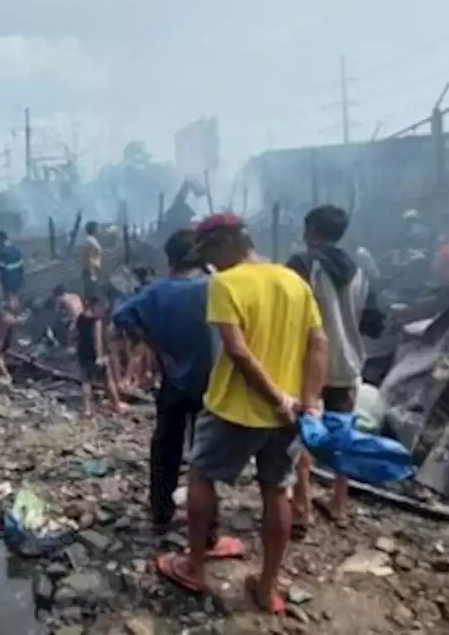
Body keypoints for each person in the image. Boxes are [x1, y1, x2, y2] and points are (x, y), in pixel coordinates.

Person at [155, 213, 327, 616]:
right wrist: (308, 400)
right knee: (277, 491)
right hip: (285, 417)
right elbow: (318, 343)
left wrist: (274, 397)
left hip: (236, 408)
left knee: (201, 477)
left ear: (230, 241)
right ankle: (266, 589)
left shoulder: (226, 283)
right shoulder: (293, 280)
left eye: (212, 249)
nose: (211, 261)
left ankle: (194, 566)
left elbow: (237, 349)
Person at [285, 205, 386, 535]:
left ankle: (301, 505)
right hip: (348, 364)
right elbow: (374, 323)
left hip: (310, 363)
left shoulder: (301, 264)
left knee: (304, 432)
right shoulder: (360, 270)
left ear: (312, 231)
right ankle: (338, 504)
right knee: (343, 434)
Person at [112, 229, 215, 529]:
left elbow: (123, 317)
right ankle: (207, 524)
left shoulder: (157, 291)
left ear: (170, 259)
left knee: (166, 446)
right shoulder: (214, 287)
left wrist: (156, 345)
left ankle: (161, 510)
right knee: (204, 452)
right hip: (211, 380)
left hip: (172, 378)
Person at [75, 294, 126, 417]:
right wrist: (99, 356)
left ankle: (87, 410)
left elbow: (74, 334)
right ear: (95, 306)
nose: (103, 310)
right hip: (95, 355)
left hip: (83, 353)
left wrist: (76, 347)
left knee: (86, 382)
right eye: (101, 307)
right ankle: (117, 405)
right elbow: (97, 339)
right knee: (108, 381)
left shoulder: (80, 318)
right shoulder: (96, 321)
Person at [0, 231, 25, 307]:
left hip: (8, 278)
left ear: (1, 239)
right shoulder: (16, 249)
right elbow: (22, 266)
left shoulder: (2, 251)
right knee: (15, 297)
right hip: (18, 277)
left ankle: (12, 314)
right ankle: (17, 312)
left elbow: (0, 268)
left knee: (10, 298)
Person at [81, 221, 103, 298]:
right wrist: (92, 274)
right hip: (90, 272)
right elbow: (89, 257)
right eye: (98, 228)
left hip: (93, 270)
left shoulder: (93, 240)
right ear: (94, 229)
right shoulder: (89, 241)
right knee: (90, 294)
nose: (99, 229)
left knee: (92, 293)